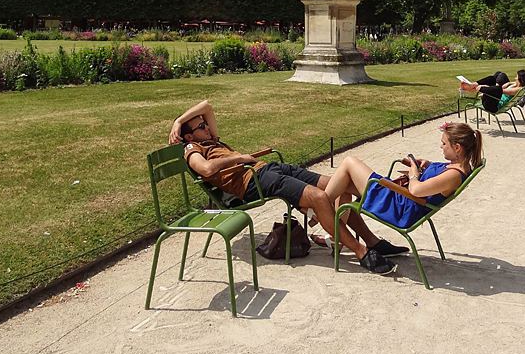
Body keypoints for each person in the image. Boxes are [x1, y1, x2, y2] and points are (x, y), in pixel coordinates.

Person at [169, 99, 401, 275]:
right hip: (255, 182)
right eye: (201, 126)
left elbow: (207, 105)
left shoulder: (212, 139)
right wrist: (238, 159)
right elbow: (207, 169)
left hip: (269, 169)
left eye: (204, 124)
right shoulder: (193, 150)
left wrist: (179, 120)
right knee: (320, 197)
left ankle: (370, 240)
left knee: (342, 185)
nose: (207, 127)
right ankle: (361, 252)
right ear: (190, 137)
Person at [309, 121, 482, 237]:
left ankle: (320, 209)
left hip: (400, 207)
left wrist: (414, 172)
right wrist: (426, 164)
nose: (441, 147)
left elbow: (416, 190)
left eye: (444, 144)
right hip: (401, 199)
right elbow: (433, 178)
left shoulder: (453, 176)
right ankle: (337, 238)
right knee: (345, 182)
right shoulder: (455, 166)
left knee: (349, 162)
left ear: (457, 147)